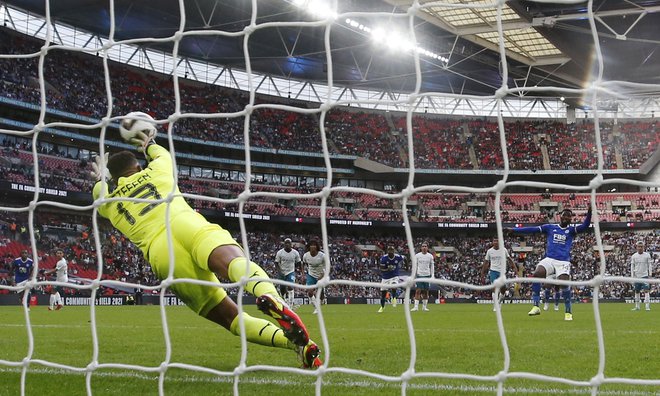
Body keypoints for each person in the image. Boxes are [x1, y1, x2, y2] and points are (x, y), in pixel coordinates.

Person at [90, 119, 321, 368]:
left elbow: (97, 192)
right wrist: (148, 142)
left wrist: (103, 179)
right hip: (184, 222)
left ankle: (296, 345)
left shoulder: (109, 203)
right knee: (234, 264)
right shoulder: (158, 171)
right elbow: (160, 152)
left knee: (231, 318)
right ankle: (271, 297)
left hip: (161, 253)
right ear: (137, 165)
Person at [505, 207, 591, 321]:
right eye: (564, 215)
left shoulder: (571, 230)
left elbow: (585, 226)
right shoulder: (550, 227)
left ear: (571, 219)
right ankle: (536, 306)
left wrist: (590, 212)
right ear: (560, 216)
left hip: (563, 261)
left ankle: (568, 312)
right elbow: (533, 230)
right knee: (537, 273)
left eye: (569, 216)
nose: (566, 217)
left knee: (564, 283)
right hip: (549, 259)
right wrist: (515, 230)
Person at [481, 238, 518, 311]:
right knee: (494, 289)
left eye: (497, 241)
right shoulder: (490, 251)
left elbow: (509, 259)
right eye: (494, 241)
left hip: (502, 272)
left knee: (503, 290)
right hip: (493, 271)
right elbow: (486, 262)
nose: (496, 242)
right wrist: (482, 272)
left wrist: (515, 268)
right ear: (492, 242)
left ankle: (499, 302)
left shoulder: (504, 250)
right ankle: (495, 306)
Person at [274, 238, 302, 308]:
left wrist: (300, 271)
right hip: (282, 272)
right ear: (284, 244)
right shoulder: (280, 252)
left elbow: (299, 262)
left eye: (288, 243)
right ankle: (284, 299)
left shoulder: (295, 253)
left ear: (291, 244)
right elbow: (276, 262)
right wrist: (279, 271)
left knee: (290, 286)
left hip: (290, 272)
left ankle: (290, 304)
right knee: (282, 288)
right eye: (286, 243)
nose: (287, 244)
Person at [377, 245, 405, 313]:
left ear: (394, 251)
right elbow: (381, 269)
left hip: (394, 276)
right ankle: (382, 307)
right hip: (385, 277)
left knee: (394, 285)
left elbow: (405, 258)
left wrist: (406, 267)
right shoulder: (384, 258)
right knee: (383, 294)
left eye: (392, 250)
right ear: (387, 251)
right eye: (389, 250)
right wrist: (387, 269)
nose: (390, 252)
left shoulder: (398, 257)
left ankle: (394, 298)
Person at [302, 240, 325, 314]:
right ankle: (316, 308)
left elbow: (327, 266)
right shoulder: (306, 255)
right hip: (311, 275)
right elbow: (303, 264)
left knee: (320, 294)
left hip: (321, 275)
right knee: (310, 292)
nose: (312, 247)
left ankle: (322, 300)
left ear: (317, 247)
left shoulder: (322, 256)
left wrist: (322, 275)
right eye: (311, 245)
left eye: (314, 245)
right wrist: (303, 274)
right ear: (309, 247)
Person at [411, 242, 434, 312]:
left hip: (427, 275)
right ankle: (416, 307)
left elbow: (432, 266)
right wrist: (413, 276)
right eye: (423, 246)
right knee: (418, 291)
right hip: (419, 275)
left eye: (425, 246)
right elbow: (415, 266)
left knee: (426, 291)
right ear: (421, 248)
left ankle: (424, 307)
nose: (424, 247)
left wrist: (432, 275)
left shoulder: (430, 256)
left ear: (427, 248)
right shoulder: (417, 256)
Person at [630, 241, 652, 311]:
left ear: (643, 247)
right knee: (637, 291)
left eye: (641, 246)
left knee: (646, 291)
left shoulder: (647, 255)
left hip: (645, 276)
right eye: (639, 246)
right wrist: (632, 276)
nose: (640, 248)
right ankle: (637, 306)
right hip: (637, 276)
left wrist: (650, 274)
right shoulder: (634, 256)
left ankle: (647, 306)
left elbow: (649, 265)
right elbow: (632, 266)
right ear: (636, 247)